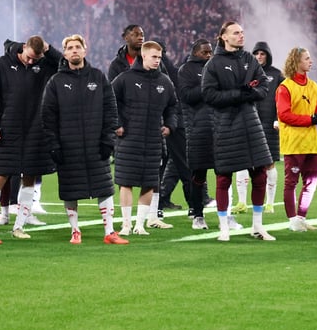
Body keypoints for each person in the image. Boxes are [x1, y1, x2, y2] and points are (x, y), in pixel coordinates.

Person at [42, 34, 128, 245]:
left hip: (95, 144)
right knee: (70, 189)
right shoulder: (56, 82)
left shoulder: (98, 77)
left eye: (77, 47)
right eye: (70, 48)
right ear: (64, 53)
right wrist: (54, 145)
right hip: (68, 146)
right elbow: (48, 116)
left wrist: (108, 140)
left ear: (85, 50)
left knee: (104, 188)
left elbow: (111, 110)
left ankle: (109, 231)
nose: (74, 51)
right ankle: (75, 230)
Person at [201, 21, 276, 242]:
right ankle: (224, 227)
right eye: (236, 33)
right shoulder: (213, 64)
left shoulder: (249, 59)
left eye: (242, 32)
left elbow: (264, 86)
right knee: (223, 177)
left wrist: (249, 94)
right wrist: (239, 94)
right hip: (226, 125)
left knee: (260, 174)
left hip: (251, 124)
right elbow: (209, 95)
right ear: (224, 36)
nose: (241, 36)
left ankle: (257, 226)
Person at [0, 36, 60, 240]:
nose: (33, 62)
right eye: (30, 57)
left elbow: (64, 63)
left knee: (30, 179)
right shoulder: (2, 65)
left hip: (36, 131)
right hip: (8, 131)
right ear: (23, 47)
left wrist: (48, 50)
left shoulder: (45, 63)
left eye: (37, 58)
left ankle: (18, 227)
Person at [112, 41, 179, 236]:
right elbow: (109, 101)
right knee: (126, 182)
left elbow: (173, 106)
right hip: (129, 138)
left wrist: (170, 125)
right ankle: (125, 225)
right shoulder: (125, 79)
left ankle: (139, 225)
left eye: (159, 57)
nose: (157, 61)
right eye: (154, 57)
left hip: (153, 140)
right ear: (143, 56)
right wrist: (116, 124)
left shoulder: (165, 82)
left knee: (149, 182)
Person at [276, 47, 317, 232]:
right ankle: (292, 220)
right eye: (307, 58)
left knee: (311, 182)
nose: (310, 61)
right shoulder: (285, 87)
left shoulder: (313, 86)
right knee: (291, 182)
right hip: (293, 143)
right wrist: (310, 119)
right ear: (297, 62)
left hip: (312, 142)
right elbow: (284, 115)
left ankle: (301, 217)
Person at [178, 39, 215, 230]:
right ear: (195, 52)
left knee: (224, 174)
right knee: (197, 175)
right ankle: (197, 215)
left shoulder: (215, 67)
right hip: (196, 129)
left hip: (218, 127)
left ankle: (226, 214)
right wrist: (207, 85)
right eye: (205, 52)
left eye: (210, 52)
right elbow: (187, 96)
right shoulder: (186, 70)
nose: (209, 55)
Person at [251, 41, 283, 213]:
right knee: (246, 163)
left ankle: (270, 203)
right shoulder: (248, 73)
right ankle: (242, 202)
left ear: (268, 55)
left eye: (262, 54)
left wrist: (278, 119)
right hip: (250, 123)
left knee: (269, 163)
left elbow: (283, 99)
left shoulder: (277, 75)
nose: (259, 57)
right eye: (256, 54)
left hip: (270, 124)